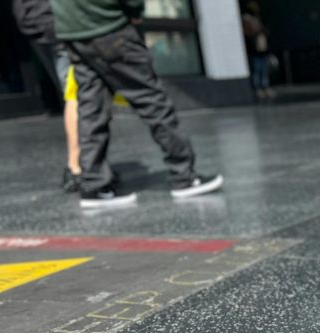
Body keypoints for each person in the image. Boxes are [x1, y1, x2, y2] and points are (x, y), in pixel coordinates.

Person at [50, 0, 223, 208]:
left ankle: (94, 184)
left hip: (73, 31)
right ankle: (185, 176)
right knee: (152, 100)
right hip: (108, 26)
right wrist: (134, 8)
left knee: (91, 108)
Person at [12, 0, 81, 192]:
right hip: (59, 22)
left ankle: (81, 165)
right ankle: (77, 168)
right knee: (76, 93)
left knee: (70, 92)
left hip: (34, 22)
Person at [242, 2, 273, 100]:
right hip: (254, 50)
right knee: (256, 70)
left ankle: (265, 87)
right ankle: (258, 89)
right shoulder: (247, 18)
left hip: (262, 50)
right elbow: (250, 31)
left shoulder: (258, 18)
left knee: (264, 70)